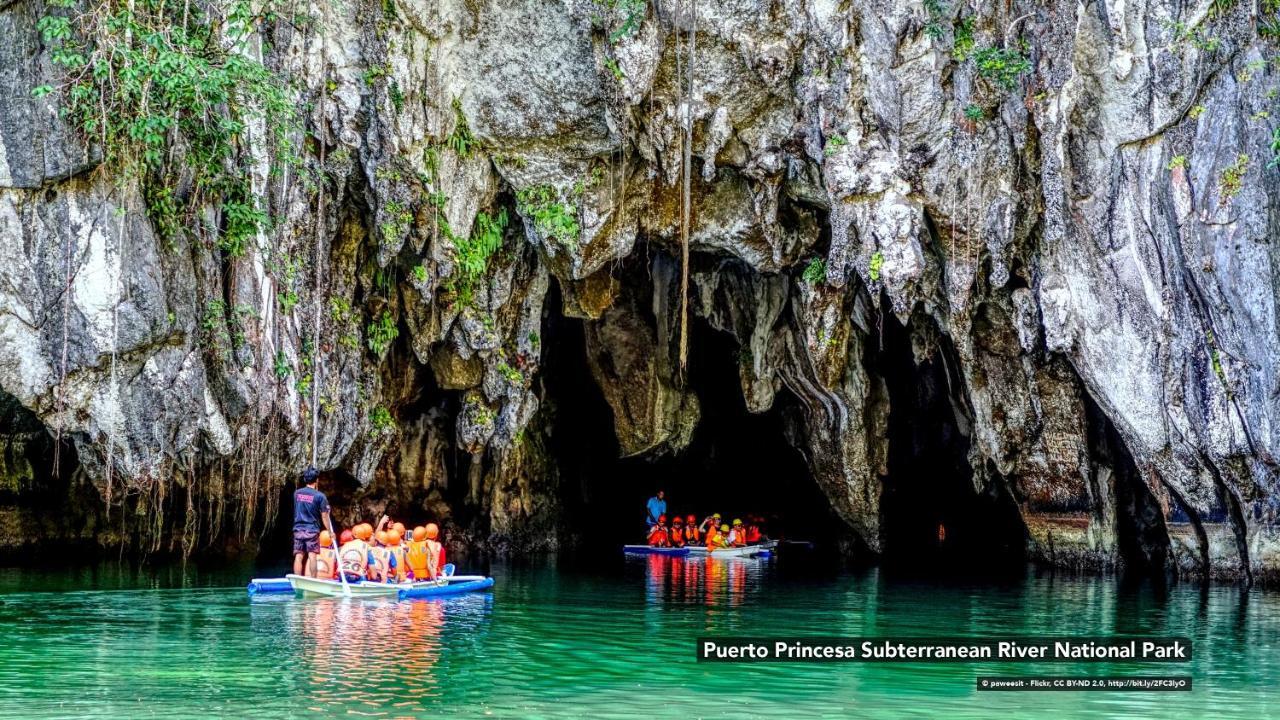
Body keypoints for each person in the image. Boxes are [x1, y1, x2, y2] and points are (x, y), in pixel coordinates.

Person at [291, 467, 331, 577]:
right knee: (312, 556)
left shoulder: (297, 493)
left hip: (298, 529)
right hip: (312, 530)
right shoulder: (320, 496)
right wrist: (330, 532)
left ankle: (297, 579)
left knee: (299, 556)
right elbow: (324, 516)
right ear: (317, 480)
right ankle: (313, 580)